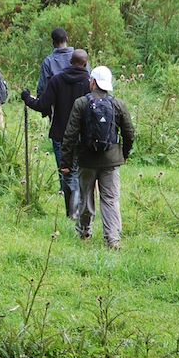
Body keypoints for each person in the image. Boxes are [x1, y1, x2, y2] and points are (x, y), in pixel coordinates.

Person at [60, 66, 134, 250]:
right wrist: (123, 154)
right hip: (111, 160)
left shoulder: (81, 103)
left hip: (86, 160)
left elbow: (70, 135)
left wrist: (66, 162)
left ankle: (85, 232)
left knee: (86, 197)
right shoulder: (118, 104)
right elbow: (129, 133)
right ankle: (113, 239)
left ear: (92, 82)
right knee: (110, 199)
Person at [21, 49, 90, 218]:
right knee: (83, 172)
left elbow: (43, 105)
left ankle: (71, 212)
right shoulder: (90, 82)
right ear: (85, 64)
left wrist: (27, 98)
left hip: (61, 134)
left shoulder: (57, 80)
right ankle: (83, 211)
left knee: (67, 172)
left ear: (69, 62)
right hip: (85, 136)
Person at [36, 28, 75, 96]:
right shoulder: (80, 56)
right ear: (67, 39)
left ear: (53, 43)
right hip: (78, 100)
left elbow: (42, 89)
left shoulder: (48, 61)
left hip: (57, 103)